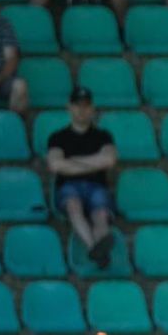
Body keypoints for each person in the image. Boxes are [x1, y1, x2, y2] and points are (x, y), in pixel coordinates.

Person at [46, 86, 117, 268]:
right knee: (73, 206)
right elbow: (55, 165)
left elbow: (109, 160)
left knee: (101, 214)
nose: (82, 110)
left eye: (86, 106)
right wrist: (94, 162)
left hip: (97, 187)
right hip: (69, 187)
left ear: (92, 108)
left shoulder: (103, 136)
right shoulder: (57, 137)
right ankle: (95, 249)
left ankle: (98, 250)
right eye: (77, 105)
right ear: (69, 107)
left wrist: (73, 162)